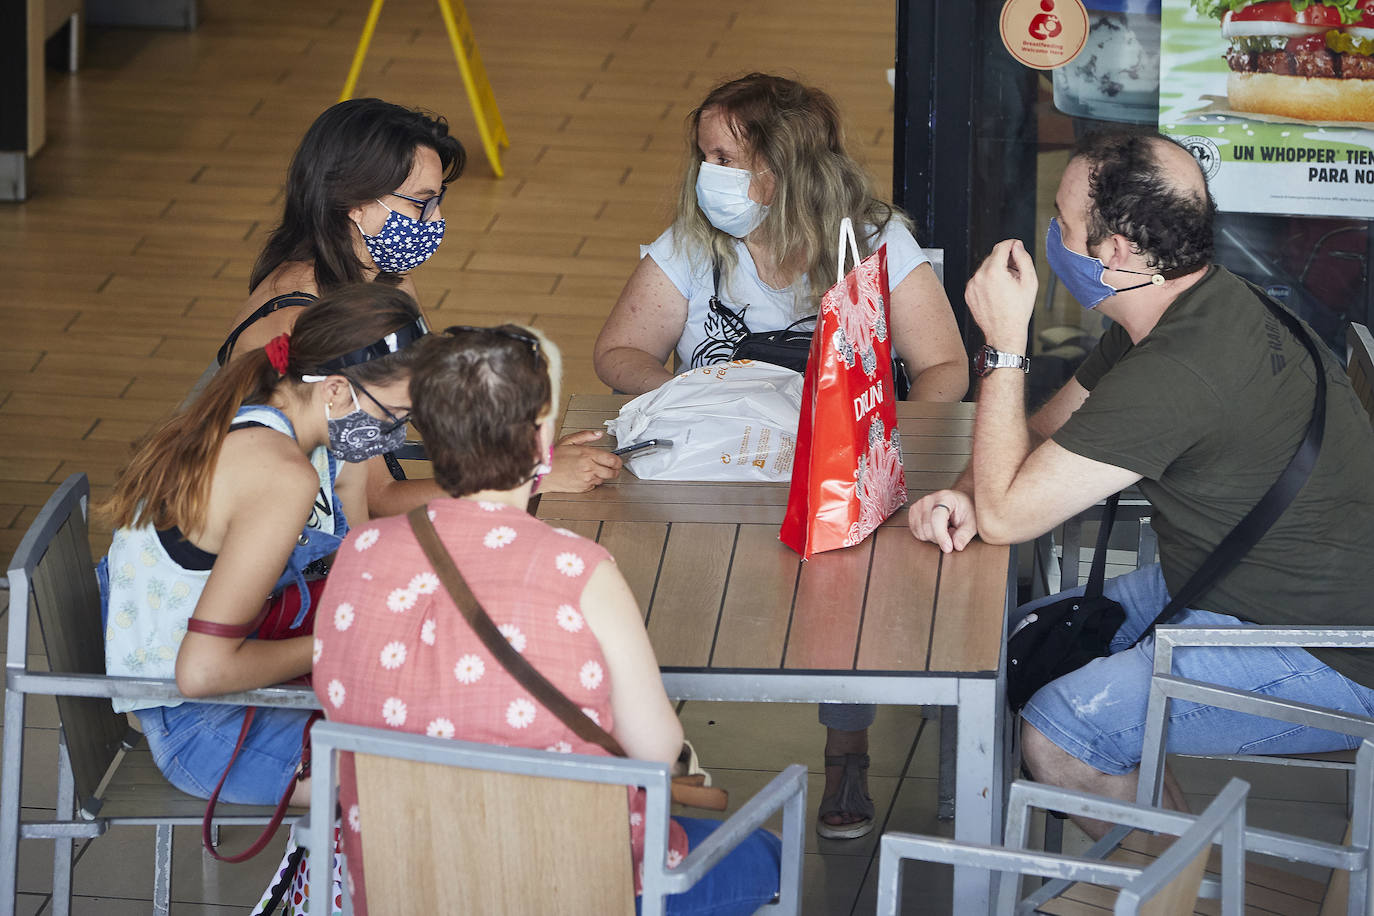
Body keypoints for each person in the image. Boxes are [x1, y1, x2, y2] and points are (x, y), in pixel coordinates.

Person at [908, 128, 1374, 838]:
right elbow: (1038, 434)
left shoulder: (1179, 370)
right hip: (1246, 582)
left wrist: (1003, 345)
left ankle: (1174, 894)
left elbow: (1008, 516)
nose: (1051, 237)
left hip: (1330, 647)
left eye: (1063, 224)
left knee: (1061, 739)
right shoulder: (1188, 307)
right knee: (1027, 642)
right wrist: (969, 493)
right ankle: (1163, 840)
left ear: (1115, 253)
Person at [593, 72, 969, 839]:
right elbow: (619, 352)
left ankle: (847, 744)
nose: (709, 176)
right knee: (661, 581)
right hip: (722, 466)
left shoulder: (872, 240)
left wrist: (883, 435)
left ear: (780, 165)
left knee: (847, 588)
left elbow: (945, 368)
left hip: (836, 465)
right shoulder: (696, 244)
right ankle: (659, 749)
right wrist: (704, 398)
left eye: (725, 157)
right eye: (704, 155)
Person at [312, 325, 783, 915]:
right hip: (576, 889)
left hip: (404, 886)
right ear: (541, 442)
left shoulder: (359, 555)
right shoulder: (580, 570)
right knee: (765, 855)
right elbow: (657, 753)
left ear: (430, 435)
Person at [101, 283, 428, 807]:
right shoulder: (276, 470)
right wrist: (343, 643)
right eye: (396, 414)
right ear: (337, 391)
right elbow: (202, 672)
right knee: (431, 778)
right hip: (201, 725)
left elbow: (357, 570)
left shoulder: (304, 427)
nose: (396, 432)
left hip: (243, 689)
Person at [219, 97, 620, 511]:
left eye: (438, 198)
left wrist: (526, 455)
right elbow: (377, 500)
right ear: (353, 203)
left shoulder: (382, 276)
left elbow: (432, 401)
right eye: (420, 201)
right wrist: (528, 480)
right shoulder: (309, 321)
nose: (436, 217)